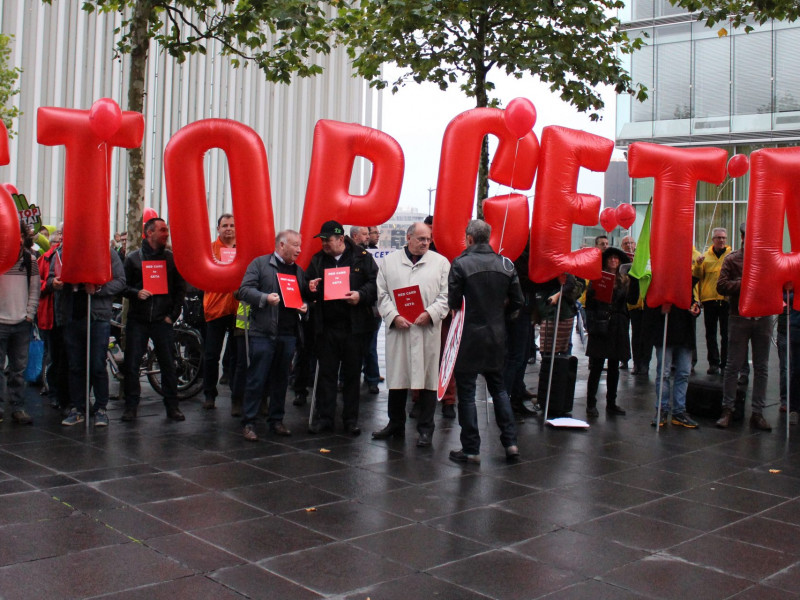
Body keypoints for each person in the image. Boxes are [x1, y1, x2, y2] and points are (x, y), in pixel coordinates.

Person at [448, 219, 522, 463]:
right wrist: (502, 316)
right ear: (488, 237)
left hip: (468, 337)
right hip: (496, 336)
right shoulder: (506, 264)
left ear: (469, 238)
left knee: (467, 394)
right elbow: (518, 302)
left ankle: (471, 449)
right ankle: (510, 443)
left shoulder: (460, 263)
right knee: (499, 390)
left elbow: (453, 302)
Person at [372, 222, 449, 446]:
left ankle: (425, 429)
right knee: (398, 377)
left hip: (426, 329)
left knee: (427, 380)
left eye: (428, 239)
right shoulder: (390, 262)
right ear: (408, 238)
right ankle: (395, 423)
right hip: (400, 328)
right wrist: (393, 316)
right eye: (421, 239)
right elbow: (382, 294)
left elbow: (446, 296)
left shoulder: (441, 263)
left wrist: (431, 313)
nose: (426, 243)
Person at [306, 220, 378, 435]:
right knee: (327, 374)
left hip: (353, 327)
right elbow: (308, 286)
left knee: (352, 375)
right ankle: (325, 417)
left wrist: (360, 295)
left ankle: (350, 419)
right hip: (327, 327)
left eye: (327, 240)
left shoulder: (362, 258)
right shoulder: (318, 260)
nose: (324, 245)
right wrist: (310, 288)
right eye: (322, 241)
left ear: (340, 239)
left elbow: (375, 284)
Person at [238, 230, 309, 440]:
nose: (299, 250)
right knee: (256, 378)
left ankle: (276, 420)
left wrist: (304, 307)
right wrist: (264, 298)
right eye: (295, 245)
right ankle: (249, 422)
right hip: (263, 332)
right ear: (281, 245)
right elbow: (244, 291)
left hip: (288, 334)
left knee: (281, 380)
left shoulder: (298, 271)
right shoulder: (260, 264)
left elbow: (302, 298)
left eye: (300, 245)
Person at [122, 218, 187, 422]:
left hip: (162, 320)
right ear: (149, 233)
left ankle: (172, 406)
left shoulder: (171, 259)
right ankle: (131, 406)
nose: (166, 234)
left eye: (166, 230)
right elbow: (122, 287)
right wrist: (135, 293)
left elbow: (179, 290)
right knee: (132, 364)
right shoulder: (132, 259)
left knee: (168, 364)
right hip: (138, 320)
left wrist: (172, 316)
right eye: (162, 230)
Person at [54, 246, 126, 426]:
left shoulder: (107, 252)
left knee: (97, 365)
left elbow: (120, 281)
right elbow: (51, 277)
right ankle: (78, 407)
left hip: (98, 317)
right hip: (73, 315)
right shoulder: (65, 252)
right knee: (76, 365)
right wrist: (54, 282)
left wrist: (99, 289)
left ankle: (101, 408)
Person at [716, 222, 773, 430]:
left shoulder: (768, 260)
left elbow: (776, 283)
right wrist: (744, 282)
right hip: (739, 317)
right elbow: (720, 286)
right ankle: (728, 409)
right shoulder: (732, 259)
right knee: (733, 366)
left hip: (763, 318)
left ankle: (757, 413)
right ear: (743, 238)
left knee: (762, 367)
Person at [635, 278, 701, 428]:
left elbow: (695, 300)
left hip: (684, 334)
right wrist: (660, 310)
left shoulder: (687, 280)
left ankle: (678, 411)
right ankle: (663, 410)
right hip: (665, 333)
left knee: (683, 373)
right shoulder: (660, 279)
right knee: (664, 374)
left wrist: (696, 308)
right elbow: (649, 304)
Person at [0, 221, 40, 425]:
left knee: (18, 368)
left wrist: (29, 315)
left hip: (21, 322)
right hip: (1, 321)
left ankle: (18, 407)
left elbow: (34, 290)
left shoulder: (29, 260)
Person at [585, 247, 631, 417]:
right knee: (596, 365)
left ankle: (611, 402)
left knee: (614, 366)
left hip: (617, 324)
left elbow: (631, 300)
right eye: (610, 258)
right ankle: (591, 403)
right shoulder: (598, 277)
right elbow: (589, 301)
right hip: (601, 322)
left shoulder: (625, 280)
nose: (613, 261)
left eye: (616, 259)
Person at [201, 213, 239, 410]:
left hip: (237, 309)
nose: (229, 228)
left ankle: (236, 395)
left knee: (236, 354)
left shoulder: (243, 249)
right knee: (211, 355)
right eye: (225, 225)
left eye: (232, 225)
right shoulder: (209, 250)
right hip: (215, 309)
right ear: (218, 228)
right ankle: (209, 394)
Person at [693, 228, 731, 375]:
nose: (721, 240)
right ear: (713, 239)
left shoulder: (730, 256)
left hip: (726, 299)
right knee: (710, 333)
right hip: (709, 300)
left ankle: (725, 363)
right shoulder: (705, 257)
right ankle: (713, 363)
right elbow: (698, 276)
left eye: (723, 238)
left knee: (726, 334)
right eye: (718, 238)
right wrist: (697, 264)